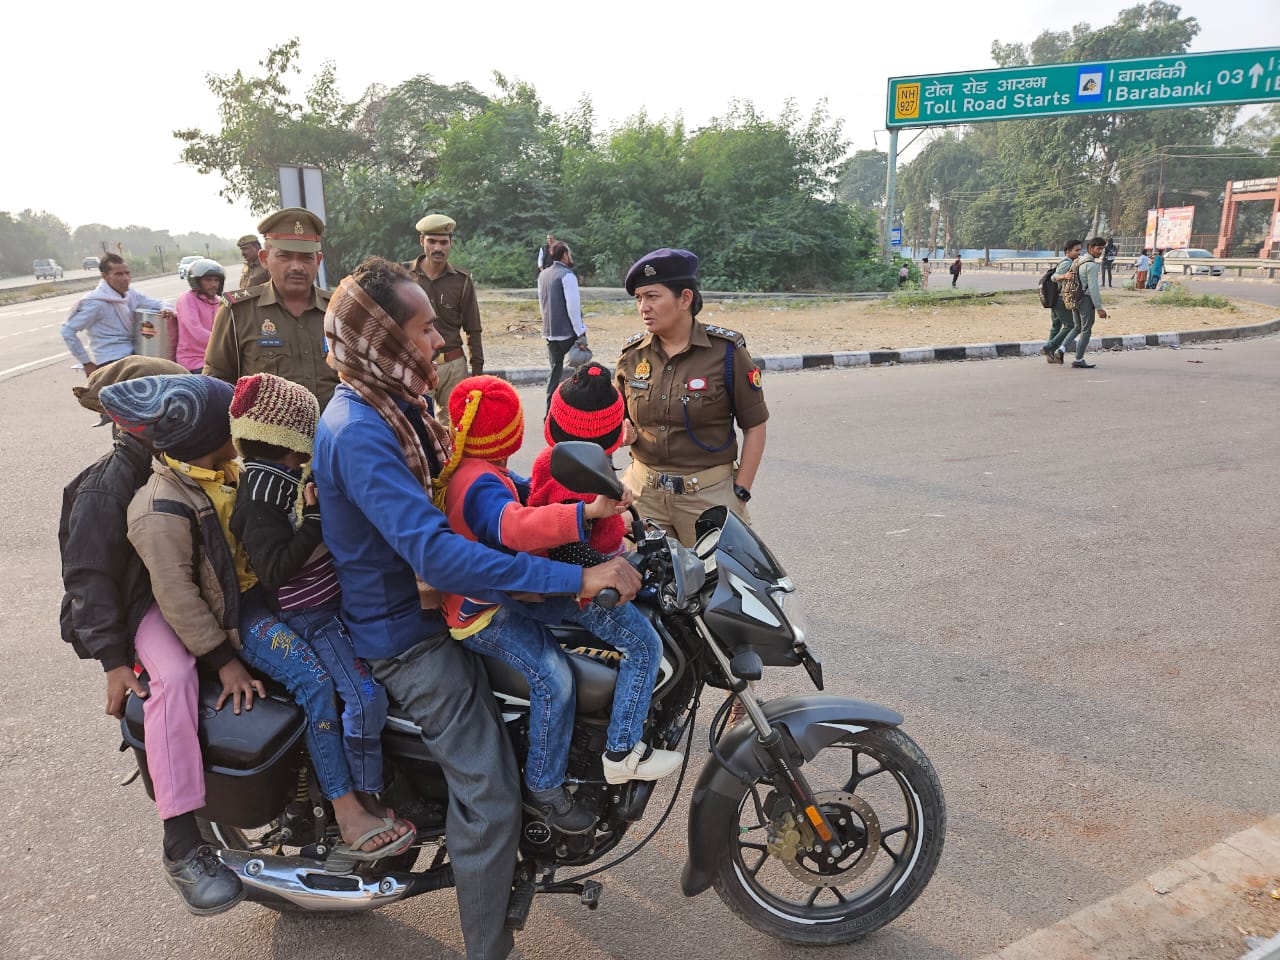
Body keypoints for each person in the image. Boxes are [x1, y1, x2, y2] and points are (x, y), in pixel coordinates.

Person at [312, 256, 640, 960]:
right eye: (425, 328)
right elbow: (435, 553)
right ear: (386, 337)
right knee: (488, 793)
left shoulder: (395, 405)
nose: (439, 340)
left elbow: (475, 482)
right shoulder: (361, 431)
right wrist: (576, 582)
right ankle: (488, 946)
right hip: (410, 633)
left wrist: (577, 513)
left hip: (440, 604)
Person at [101, 373, 415, 869]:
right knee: (315, 683)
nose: (239, 432)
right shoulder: (160, 507)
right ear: (204, 437)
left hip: (267, 599)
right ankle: (345, 807)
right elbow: (179, 597)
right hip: (239, 618)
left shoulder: (224, 472)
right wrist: (224, 661)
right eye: (226, 422)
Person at [433, 374, 680, 826]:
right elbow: (514, 527)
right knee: (555, 679)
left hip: (508, 590)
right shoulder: (479, 483)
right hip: (482, 612)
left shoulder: (484, 469)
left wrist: (595, 510)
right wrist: (584, 513)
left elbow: (524, 491)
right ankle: (544, 789)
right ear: (513, 431)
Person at [58, 357, 243, 916]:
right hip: (137, 609)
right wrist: (114, 661)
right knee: (172, 676)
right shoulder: (106, 487)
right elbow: (88, 581)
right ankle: (181, 842)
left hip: (181, 590)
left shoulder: (181, 460)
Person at [227, 371, 408, 856]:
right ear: (291, 437)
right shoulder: (263, 493)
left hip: (328, 605)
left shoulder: (283, 479)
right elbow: (274, 570)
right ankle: (357, 802)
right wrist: (313, 523)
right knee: (352, 695)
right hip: (309, 615)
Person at [615, 248, 769, 548]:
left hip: (707, 498)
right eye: (639, 299)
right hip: (643, 496)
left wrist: (741, 491)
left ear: (685, 298)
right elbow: (614, 421)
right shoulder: (632, 356)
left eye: (653, 296)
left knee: (715, 590)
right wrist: (621, 432)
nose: (643, 307)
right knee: (642, 588)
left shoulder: (726, 353)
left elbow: (755, 425)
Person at [203, 208, 338, 409]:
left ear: (317, 261)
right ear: (264, 259)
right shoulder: (237, 312)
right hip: (264, 439)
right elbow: (217, 384)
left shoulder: (339, 311)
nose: (297, 266)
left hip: (332, 437)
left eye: (306, 258)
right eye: (285, 256)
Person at [404, 213, 484, 427]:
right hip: (416, 364)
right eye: (432, 241)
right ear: (422, 242)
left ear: (451, 244)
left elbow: (473, 330)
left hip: (453, 367)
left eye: (443, 242)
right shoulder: (402, 277)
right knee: (418, 426)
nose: (437, 248)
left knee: (457, 430)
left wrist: (477, 375)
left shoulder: (462, 281)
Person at [61, 253, 176, 378]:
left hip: (133, 356)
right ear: (104, 276)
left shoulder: (130, 294)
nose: (125, 278)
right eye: (119, 274)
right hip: (110, 360)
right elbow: (67, 331)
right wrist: (86, 363)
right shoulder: (96, 303)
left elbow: (157, 303)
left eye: (127, 273)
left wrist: (166, 308)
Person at [538, 241, 589, 414]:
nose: (571, 257)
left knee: (554, 373)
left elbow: (542, 304)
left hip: (550, 334)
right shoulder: (568, 276)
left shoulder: (543, 275)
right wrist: (581, 332)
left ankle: (549, 413)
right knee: (580, 372)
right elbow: (573, 309)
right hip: (568, 334)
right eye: (570, 253)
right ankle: (579, 413)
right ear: (565, 255)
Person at [169, 259, 224, 373]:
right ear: (197, 281)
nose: (213, 284)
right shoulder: (187, 299)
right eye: (208, 280)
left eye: (216, 280)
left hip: (214, 359)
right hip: (193, 362)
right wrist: (225, 342)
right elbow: (196, 331)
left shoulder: (217, 301)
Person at [1063, 237, 1109, 369]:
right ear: (1090, 248)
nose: (1100, 251)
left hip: (1074, 298)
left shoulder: (1078, 261)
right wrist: (1099, 308)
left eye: (1102, 249)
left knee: (1077, 327)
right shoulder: (1091, 265)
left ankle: (1060, 349)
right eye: (1098, 248)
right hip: (1085, 301)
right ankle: (1079, 358)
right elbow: (1094, 289)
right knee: (1086, 330)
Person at [1041, 240, 1082, 365]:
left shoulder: (1069, 262)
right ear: (1068, 251)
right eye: (1076, 250)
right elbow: (1054, 277)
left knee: (1056, 326)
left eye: (1080, 250)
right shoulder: (1067, 263)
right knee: (1070, 325)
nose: (1079, 253)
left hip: (1055, 299)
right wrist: (1064, 276)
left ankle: (1050, 353)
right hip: (1060, 299)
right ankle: (1049, 347)